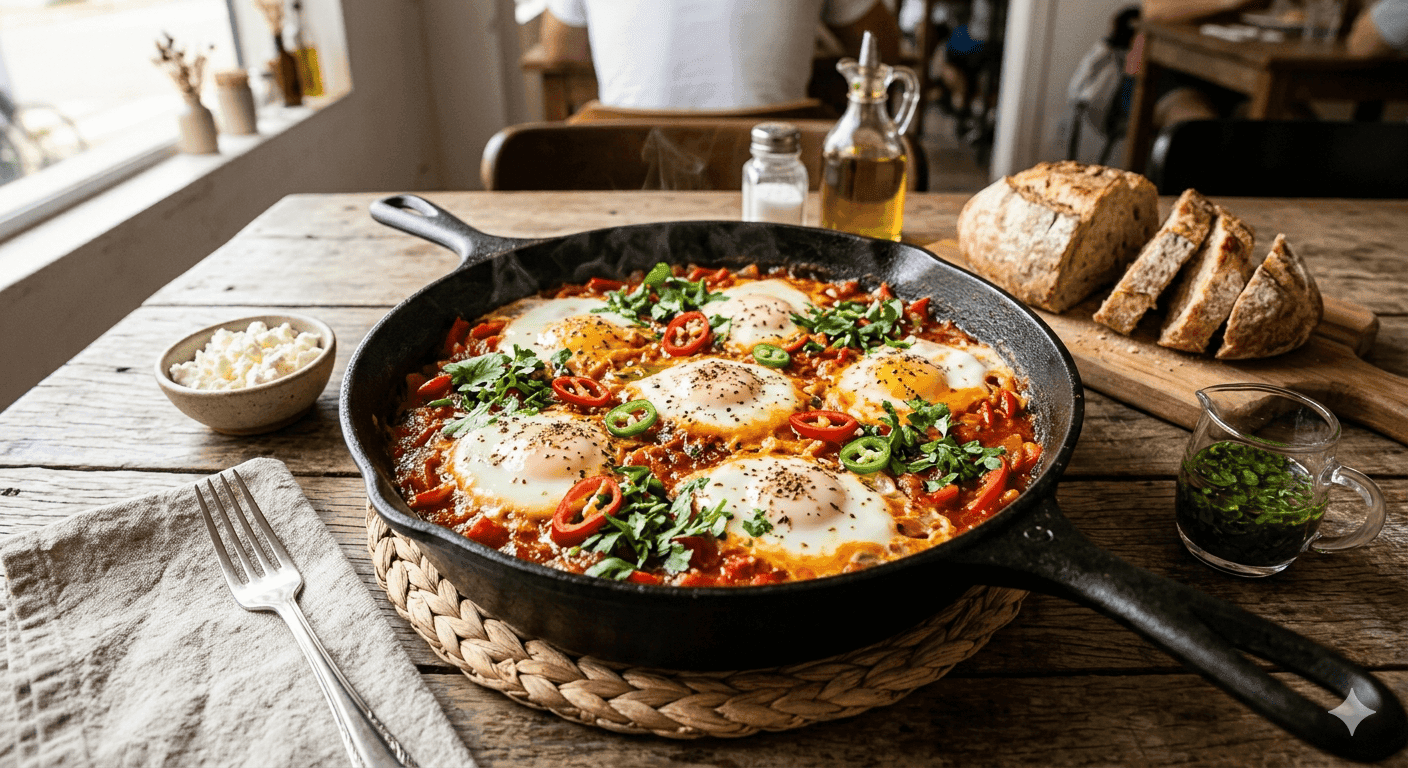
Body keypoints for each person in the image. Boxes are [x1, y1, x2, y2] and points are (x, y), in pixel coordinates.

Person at [539, 0, 902, 110]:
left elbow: (559, 53)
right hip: (776, 181)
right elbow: (883, 48)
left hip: (631, 186)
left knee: (659, 277)